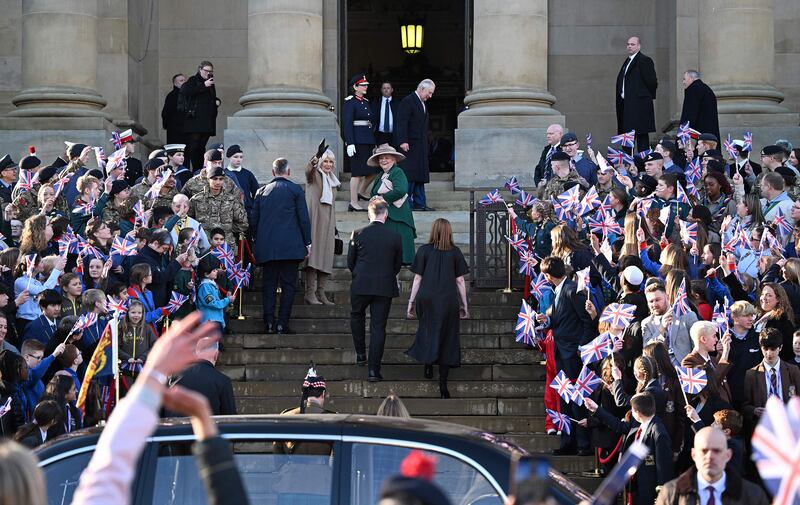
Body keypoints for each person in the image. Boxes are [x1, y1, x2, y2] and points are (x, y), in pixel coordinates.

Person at [71, 312, 249, 505]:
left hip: (172, 440)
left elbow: (159, 412)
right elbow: (230, 420)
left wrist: (151, 378)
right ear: (215, 354)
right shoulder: (222, 381)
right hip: (205, 445)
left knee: (177, 481)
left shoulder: (175, 377)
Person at [536, 256, 593, 455]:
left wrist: (580, 347)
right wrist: (548, 320)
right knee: (565, 400)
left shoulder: (571, 291)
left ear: (548, 275)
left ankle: (583, 444)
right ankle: (569, 442)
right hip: (561, 352)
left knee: (576, 400)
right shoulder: (561, 291)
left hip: (572, 354)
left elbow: (587, 322)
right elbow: (563, 320)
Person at [406, 218, 469, 399]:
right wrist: (464, 305)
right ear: (449, 232)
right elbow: (460, 281)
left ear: (433, 231)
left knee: (428, 330)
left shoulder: (424, 251)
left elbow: (417, 279)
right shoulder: (455, 252)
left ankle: (428, 365)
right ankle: (443, 385)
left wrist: (411, 302)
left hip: (426, 298)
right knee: (447, 337)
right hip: (448, 300)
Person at [252, 157, 312, 335]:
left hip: (267, 247)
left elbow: (254, 221)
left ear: (273, 172)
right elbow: (303, 218)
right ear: (289, 172)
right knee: (288, 286)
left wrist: (257, 240)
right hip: (291, 247)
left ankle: (269, 323)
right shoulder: (295, 190)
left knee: (269, 286)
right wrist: (307, 241)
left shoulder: (261, 191)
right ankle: (281, 323)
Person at [584, 392, 674, 505]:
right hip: (636, 489)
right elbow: (616, 424)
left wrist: (661, 496)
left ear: (637, 412)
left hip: (650, 494)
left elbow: (664, 469)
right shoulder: (640, 426)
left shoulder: (658, 433)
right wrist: (596, 409)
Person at [348, 197, 402, 381]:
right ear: (385, 215)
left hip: (361, 283)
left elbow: (350, 262)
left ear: (369, 214)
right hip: (384, 285)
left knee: (356, 315)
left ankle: (361, 353)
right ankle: (373, 370)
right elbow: (397, 264)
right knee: (378, 327)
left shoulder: (357, 233)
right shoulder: (395, 236)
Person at [655, 427, 768, 505]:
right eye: (704, 451)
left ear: (728, 455)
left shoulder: (753, 495)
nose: (709, 456)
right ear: (693, 455)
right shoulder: (671, 493)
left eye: (717, 451)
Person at [368, 144, 417, 265]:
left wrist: (381, 198)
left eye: (387, 157)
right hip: (385, 217)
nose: (383, 160)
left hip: (398, 217)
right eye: (381, 158)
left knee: (401, 255)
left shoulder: (397, 172)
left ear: (394, 160)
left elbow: (401, 190)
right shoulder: (380, 175)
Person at [304, 147, 341, 305]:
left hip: (328, 223)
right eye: (325, 161)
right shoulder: (314, 176)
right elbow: (308, 170)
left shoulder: (332, 180)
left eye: (331, 162)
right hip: (315, 221)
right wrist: (316, 157)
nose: (328, 164)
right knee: (314, 257)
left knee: (326, 257)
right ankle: (310, 292)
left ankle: (321, 292)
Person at [742, 328, 800, 426]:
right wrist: (754, 410)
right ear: (761, 348)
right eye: (765, 349)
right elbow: (745, 405)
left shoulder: (793, 370)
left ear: (780, 347)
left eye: (773, 349)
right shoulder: (751, 374)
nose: (769, 353)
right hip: (764, 426)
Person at [166, 337, 236, 416]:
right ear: (216, 355)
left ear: (195, 353)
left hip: (176, 427)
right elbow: (230, 418)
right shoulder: (223, 381)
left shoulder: (173, 376)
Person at [188, 166, 249, 253]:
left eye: (221, 179)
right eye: (214, 179)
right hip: (204, 246)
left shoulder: (231, 199)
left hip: (226, 247)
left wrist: (227, 229)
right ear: (208, 179)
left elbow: (243, 223)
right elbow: (188, 221)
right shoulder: (197, 199)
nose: (218, 182)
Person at [396, 78, 436, 211]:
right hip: (409, 144)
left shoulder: (422, 103)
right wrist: (403, 140)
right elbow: (402, 122)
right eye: (429, 93)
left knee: (420, 175)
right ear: (421, 89)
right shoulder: (408, 101)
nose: (430, 96)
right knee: (411, 174)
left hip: (420, 145)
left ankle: (420, 203)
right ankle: (407, 203)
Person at [615, 36, 658, 153]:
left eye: (632, 44)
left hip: (639, 105)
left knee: (642, 136)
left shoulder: (644, 60)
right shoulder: (627, 61)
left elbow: (652, 82)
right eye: (628, 44)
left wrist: (644, 98)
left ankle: (643, 165)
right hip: (626, 105)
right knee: (627, 137)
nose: (629, 46)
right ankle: (627, 164)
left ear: (639, 46)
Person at [342, 73, 377, 212]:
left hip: (367, 139)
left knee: (373, 170)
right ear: (355, 87)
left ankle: (361, 191)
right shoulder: (350, 102)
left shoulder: (365, 102)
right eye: (363, 85)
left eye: (366, 85)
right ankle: (353, 202)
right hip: (357, 141)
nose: (365, 87)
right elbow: (347, 124)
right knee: (356, 173)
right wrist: (350, 142)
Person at [129, 229, 187, 307]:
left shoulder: (158, 254)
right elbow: (158, 277)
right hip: (151, 303)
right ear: (155, 243)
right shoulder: (143, 258)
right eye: (164, 248)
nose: (165, 252)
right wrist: (177, 262)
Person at [180, 60, 219, 171]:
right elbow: (186, 91)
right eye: (206, 70)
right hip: (195, 121)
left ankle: (200, 169)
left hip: (207, 121)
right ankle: (195, 169)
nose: (208, 73)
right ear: (200, 70)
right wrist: (203, 85)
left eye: (210, 71)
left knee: (201, 147)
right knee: (194, 146)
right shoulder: (193, 80)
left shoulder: (211, 83)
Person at [679, 70, 720, 144]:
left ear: (691, 78)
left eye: (684, 79)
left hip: (698, 137)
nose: (683, 82)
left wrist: (682, 137)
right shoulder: (707, 89)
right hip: (710, 135)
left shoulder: (693, 89)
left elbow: (689, 116)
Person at [196, 260, 235, 331]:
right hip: (210, 321)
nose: (216, 271)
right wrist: (227, 300)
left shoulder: (211, 284)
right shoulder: (205, 287)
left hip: (215, 319)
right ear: (206, 274)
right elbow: (212, 303)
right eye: (214, 271)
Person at [224, 144, 259, 219]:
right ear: (229, 157)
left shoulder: (248, 174)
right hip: (227, 213)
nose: (239, 159)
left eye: (241, 157)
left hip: (246, 212)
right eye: (235, 157)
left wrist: (251, 206)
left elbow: (256, 193)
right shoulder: (223, 174)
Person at [161, 73, 188, 144]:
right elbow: (166, 113)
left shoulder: (188, 95)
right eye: (181, 81)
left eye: (185, 80)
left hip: (186, 130)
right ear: (175, 83)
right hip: (175, 130)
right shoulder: (171, 96)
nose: (184, 82)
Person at [372, 81, 399, 147]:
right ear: (381, 90)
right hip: (379, 135)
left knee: (393, 156)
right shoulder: (375, 103)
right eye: (384, 88)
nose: (386, 90)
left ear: (392, 90)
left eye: (388, 88)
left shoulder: (398, 104)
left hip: (394, 135)